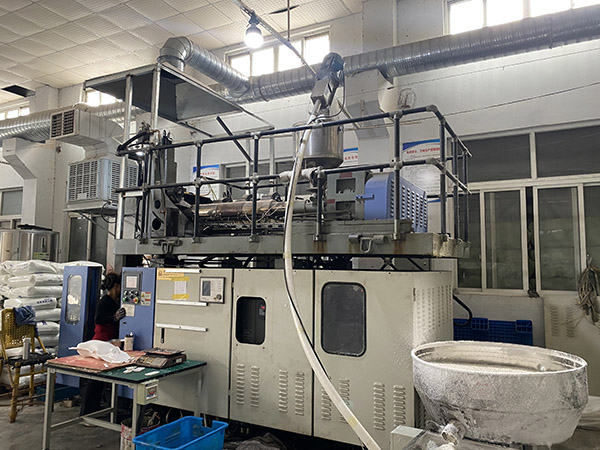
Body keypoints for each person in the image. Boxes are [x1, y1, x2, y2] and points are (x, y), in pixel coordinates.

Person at [80, 272, 126, 416]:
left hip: (109, 343)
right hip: (101, 342)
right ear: (116, 286)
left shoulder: (114, 301)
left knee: (100, 380)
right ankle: (87, 412)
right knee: (95, 379)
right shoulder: (105, 301)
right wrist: (114, 318)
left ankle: (95, 409)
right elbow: (98, 319)